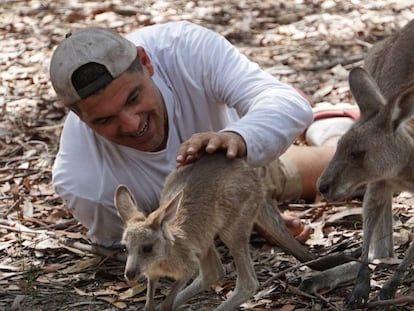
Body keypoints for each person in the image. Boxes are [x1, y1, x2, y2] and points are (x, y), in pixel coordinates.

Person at [49, 21, 358, 247]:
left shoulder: (182, 48)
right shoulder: (86, 184)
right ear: (78, 116)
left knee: (340, 166)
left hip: (234, 160)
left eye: (133, 98)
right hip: (207, 202)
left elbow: (289, 106)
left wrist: (238, 138)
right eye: (105, 120)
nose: (131, 125)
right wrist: (244, 225)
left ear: (146, 63)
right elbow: (145, 248)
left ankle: (327, 123)